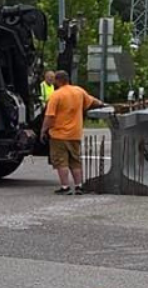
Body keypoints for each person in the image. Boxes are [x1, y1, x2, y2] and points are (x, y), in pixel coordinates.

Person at [41, 67, 104, 195]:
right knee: (75, 161)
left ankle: (65, 187)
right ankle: (79, 186)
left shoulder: (56, 95)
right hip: (75, 133)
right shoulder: (79, 91)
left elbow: (49, 116)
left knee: (61, 161)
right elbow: (93, 101)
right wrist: (104, 104)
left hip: (59, 134)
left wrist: (43, 130)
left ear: (58, 81)